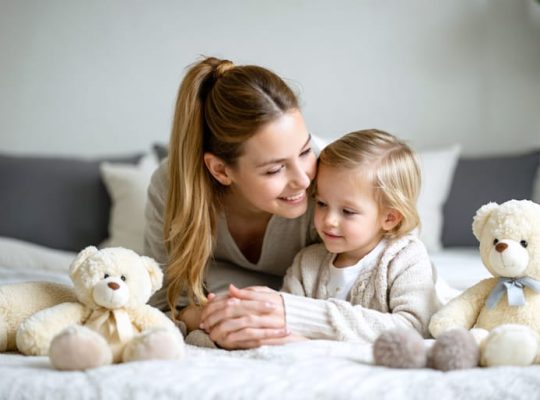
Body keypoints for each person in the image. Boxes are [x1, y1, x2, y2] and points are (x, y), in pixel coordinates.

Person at [201, 129, 440, 345]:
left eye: (348, 211)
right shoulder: (308, 262)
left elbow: (414, 328)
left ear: (390, 218)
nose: (329, 220)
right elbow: (283, 322)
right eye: (322, 204)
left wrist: (306, 322)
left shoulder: (405, 257)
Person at [144, 56, 319, 349]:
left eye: (305, 151)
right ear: (221, 171)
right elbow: (161, 303)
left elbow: (391, 286)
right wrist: (217, 316)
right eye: (275, 169)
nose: (303, 179)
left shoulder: (334, 183)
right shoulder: (172, 187)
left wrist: (285, 315)